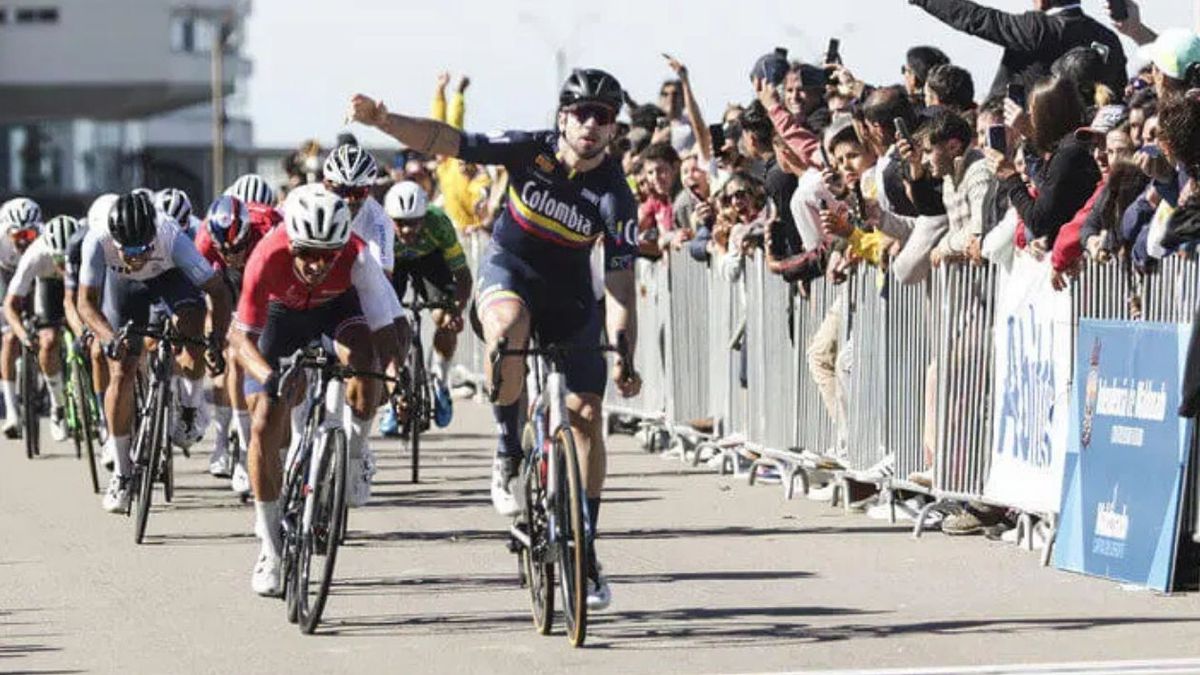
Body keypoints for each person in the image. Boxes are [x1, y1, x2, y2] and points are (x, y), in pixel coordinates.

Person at [346, 66, 644, 611]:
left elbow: (622, 283)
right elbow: (448, 141)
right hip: (510, 272)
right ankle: (508, 451)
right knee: (507, 331)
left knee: (586, 414)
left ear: (612, 128)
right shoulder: (531, 150)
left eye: (604, 117)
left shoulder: (616, 196)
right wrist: (386, 122)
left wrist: (624, 350)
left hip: (573, 297)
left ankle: (585, 546)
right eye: (583, 113)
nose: (592, 125)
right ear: (563, 116)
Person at [231, 184, 402, 596]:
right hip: (280, 315)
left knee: (366, 365)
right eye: (307, 252)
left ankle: (357, 451)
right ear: (292, 243)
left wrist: (396, 374)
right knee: (264, 425)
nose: (316, 264)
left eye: (327, 255)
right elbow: (239, 339)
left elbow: (386, 325)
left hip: (336, 311)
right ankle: (271, 549)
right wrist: (269, 376)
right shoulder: (267, 254)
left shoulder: (357, 254)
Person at [76, 192, 231, 513]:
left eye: (143, 249)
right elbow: (86, 304)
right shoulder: (98, 239)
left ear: (152, 236)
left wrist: (214, 338)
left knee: (192, 326)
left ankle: (188, 407)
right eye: (128, 251)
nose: (136, 257)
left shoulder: (171, 236)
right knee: (121, 368)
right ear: (114, 240)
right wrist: (107, 338)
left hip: (168, 278)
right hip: (123, 290)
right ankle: (121, 472)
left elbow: (216, 289)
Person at [194, 195, 275, 495]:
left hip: (264, 278)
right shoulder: (204, 241)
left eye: (237, 248)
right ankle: (242, 451)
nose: (232, 254)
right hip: (225, 286)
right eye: (224, 249)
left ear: (247, 235)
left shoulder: (268, 229)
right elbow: (207, 301)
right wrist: (211, 342)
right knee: (232, 358)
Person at [381, 181, 473, 432]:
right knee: (388, 323)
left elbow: (462, 275)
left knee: (443, 318)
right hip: (394, 264)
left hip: (431, 260)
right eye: (400, 223)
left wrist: (456, 310)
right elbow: (377, 283)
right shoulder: (381, 229)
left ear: (425, 217)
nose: (408, 230)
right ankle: (394, 397)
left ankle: (440, 381)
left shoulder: (439, 223)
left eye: (414, 222)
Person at [907, 0, 1127, 99]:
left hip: (1032, 144)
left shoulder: (1037, 29)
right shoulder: (1108, 38)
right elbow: (1118, 91)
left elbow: (975, 18)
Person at [988, 75, 1101, 246]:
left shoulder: (1070, 154)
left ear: (1047, 116)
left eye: (1034, 112)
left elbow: (1038, 220)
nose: (1029, 117)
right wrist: (1030, 135)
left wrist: (1010, 176)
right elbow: (1044, 182)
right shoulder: (1067, 149)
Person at [3, 214, 80, 441]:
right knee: (47, 341)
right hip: (48, 284)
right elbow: (10, 305)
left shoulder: (87, 249)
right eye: (59, 258)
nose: (64, 264)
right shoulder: (35, 255)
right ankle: (58, 406)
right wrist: (23, 335)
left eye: (68, 258)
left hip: (80, 284)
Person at [0, 197, 43, 437]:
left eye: (30, 235)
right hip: (5, 277)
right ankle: (12, 411)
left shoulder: (44, 240)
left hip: (35, 275)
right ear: (8, 233)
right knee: (8, 338)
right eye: (19, 236)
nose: (25, 241)